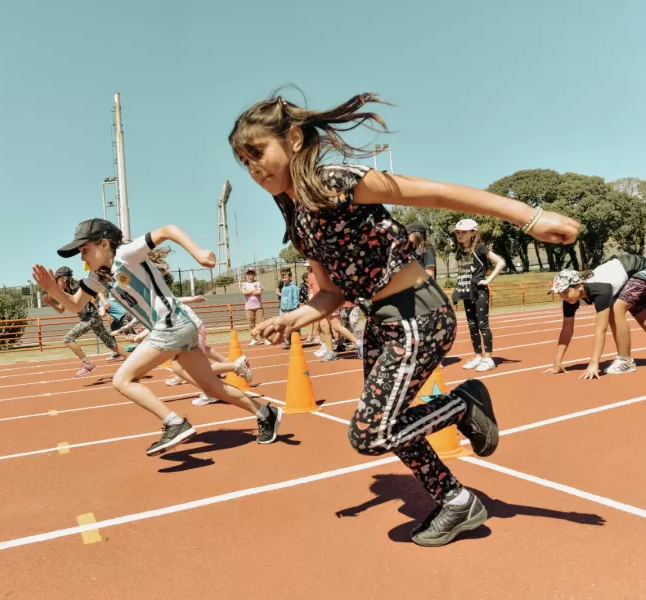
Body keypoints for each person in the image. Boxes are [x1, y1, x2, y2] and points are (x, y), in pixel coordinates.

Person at [228, 91, 579, 545]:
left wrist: (529, 218)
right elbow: (332, 292)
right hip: (380, 322)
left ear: (294, 139)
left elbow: (436, 193)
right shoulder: (298, 222)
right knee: (390, 423)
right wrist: (293, 317)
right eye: (244, 162)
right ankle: (455, 502)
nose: (254, 169)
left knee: (370, 433)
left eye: (257, 154)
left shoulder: (337, 180)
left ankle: (463, 404)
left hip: (419, 314)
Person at [33, 219, 282, 456]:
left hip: (171, 326)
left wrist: (197, 252)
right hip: (180, 327)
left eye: (84, 248)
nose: (82, 256)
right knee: (211, 387)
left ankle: (174, 422)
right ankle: (265, 413)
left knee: (122, 380)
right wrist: (52, 289)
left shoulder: (126, 254)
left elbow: (167, 230)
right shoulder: (99, 277)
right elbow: (76, 305)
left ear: (104, 244)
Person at [545, 253, 646, 378]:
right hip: (629, 273)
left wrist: (594, 363)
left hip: (641, 268)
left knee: (616, 309)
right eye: (560, 293)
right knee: (638, 311)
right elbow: (567, 328)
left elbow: (601, 329)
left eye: (566, 291)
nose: (564, 297)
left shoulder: (600, 290)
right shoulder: (570, 299)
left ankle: (625, 360)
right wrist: (557, 362)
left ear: (579, 286)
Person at [43, 266, 123, 376]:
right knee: (110, 343)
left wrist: (104, 302)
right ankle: (132, 359)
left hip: (90, 317)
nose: (57, 284)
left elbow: (96, 290)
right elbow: (61, 310)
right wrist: (51, 304)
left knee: (68, 338)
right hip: (92, 318)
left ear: (64, 279)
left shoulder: (79, 284)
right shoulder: (65, 292)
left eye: (57, 281)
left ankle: (87, 363)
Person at [451, 219, 506, 372]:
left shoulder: (480, 248)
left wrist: (488, 280)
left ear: (473, 233)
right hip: (466, 292)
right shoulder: (459, 252)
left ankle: (488, 359)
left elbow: (500, 262)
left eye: (463, 232)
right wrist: (457, 290)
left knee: (482, 324)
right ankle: (478, 357)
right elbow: (462, 273)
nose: (459, 235)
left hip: (479, 291)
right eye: (457, 232)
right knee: (472, 325)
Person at [242, 269, 270, 346]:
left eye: (251, 273)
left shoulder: (258, 283)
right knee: (251, 324)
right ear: (246, 275)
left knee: (262, 323)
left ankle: (266, 338)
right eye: (248, 274)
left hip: (258, 306)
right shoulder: (244, 284)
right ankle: (254, 339)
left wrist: (249, 292)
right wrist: (254, 290)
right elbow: (244, 292)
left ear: (254, 274)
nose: (250, 275)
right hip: (248, 307)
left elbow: (259, 292)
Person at [278, 268, 301, 348]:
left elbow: (296, 298)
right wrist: (282, 309)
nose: (284, 279)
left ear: (290, 277)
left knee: (294, 327)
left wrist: (295, 308)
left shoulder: (293, 287)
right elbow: (283, 300)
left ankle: (296, 341)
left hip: (292, 310)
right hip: (285, 310)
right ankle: (289, 342)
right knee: (287, 328)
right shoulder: (283, 288)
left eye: (285, 277)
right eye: (282, 278)